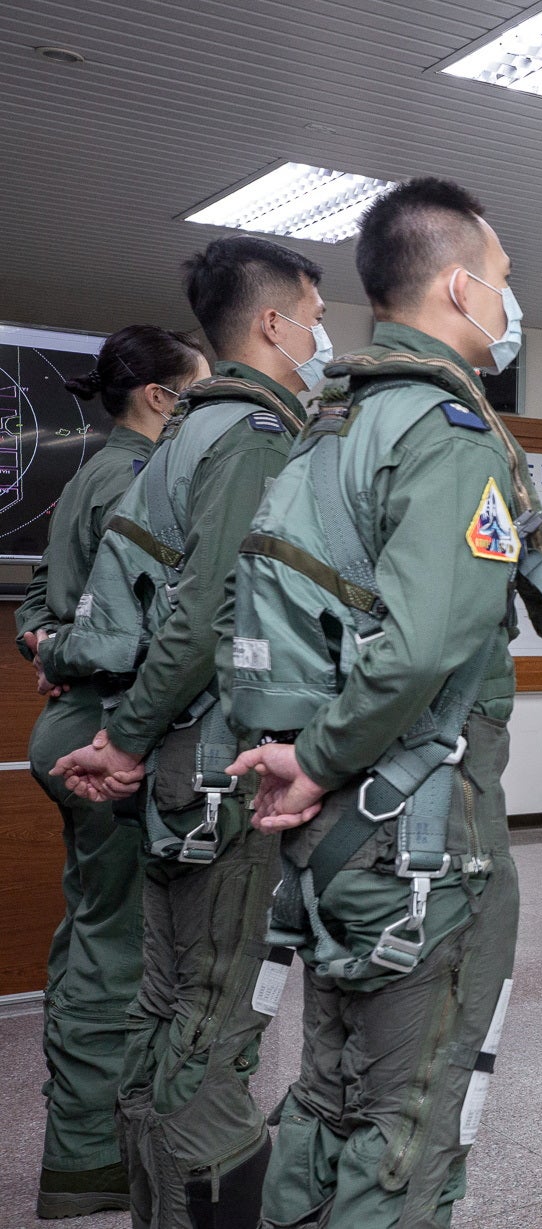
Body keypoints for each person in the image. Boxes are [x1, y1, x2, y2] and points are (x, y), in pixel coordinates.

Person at [219, 177, 542, 1229]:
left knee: (329, 1097)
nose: (509, 301)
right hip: (419, 834)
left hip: (336, 834)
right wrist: (325, 756)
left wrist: (311, 763)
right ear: (461, 287)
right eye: (503, 280)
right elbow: (423, 642)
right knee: (406, 1123)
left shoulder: (329, 428)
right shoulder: (451, 433)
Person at [52, 236, 326, 1228]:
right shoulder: (254, 432)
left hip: (181, 766)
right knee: (214, 1019)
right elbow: (214, 615)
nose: (320, 334)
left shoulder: (184, 433)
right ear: (273, 322)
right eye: (313, 310)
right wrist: (126, 738)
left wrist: (133, 736)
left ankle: (155, 1207)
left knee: (166, 1003)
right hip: (220, 766)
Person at [16, 324, 207, 1219]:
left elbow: (33, 604)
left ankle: (82, 1143)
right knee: (118, 951)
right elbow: (155, 626)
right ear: (163, 397)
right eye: (200, 392)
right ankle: (89, 1163)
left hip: (70, 721)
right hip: (108, 729)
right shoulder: (144, 478)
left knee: (89, 929)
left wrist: (46, 639)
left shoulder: (87, 474)